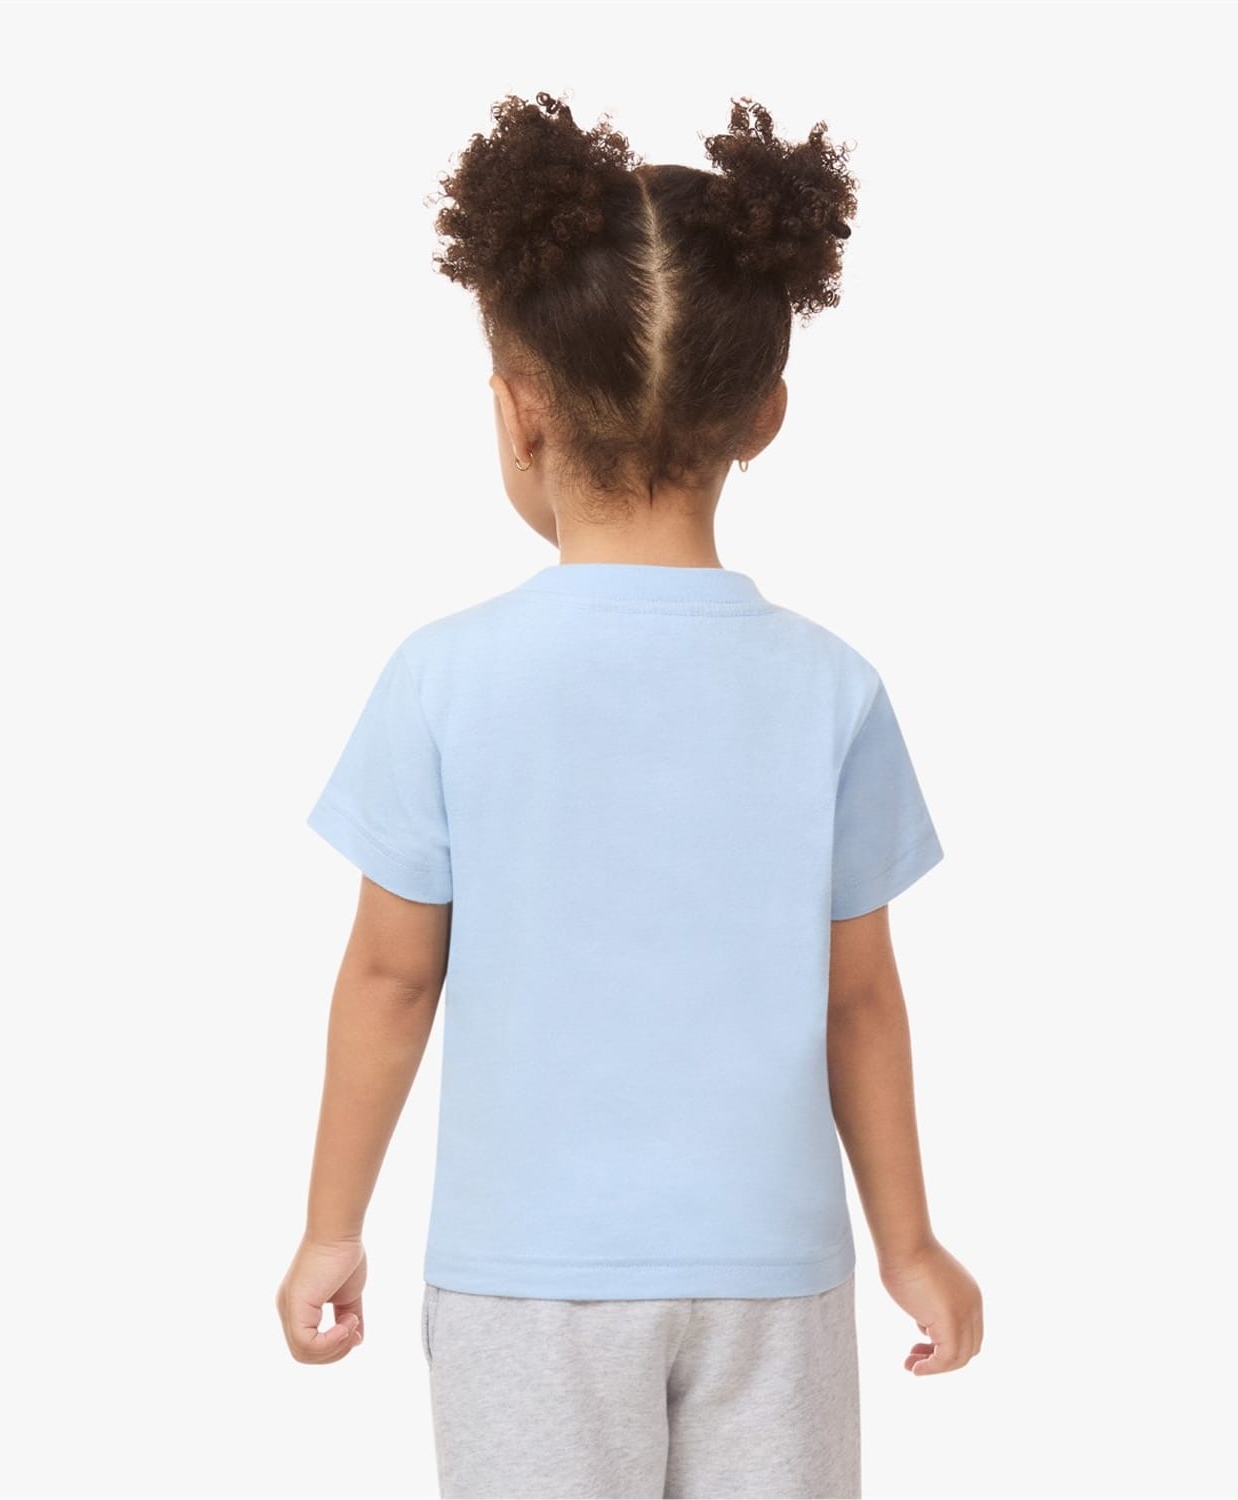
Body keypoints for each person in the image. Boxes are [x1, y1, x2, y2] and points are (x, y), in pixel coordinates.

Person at [275, 90, 983, 1500]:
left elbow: (391, 980)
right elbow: (860, 1000)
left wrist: (331, 1228)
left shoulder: (443, 679)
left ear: (517, 410)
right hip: (774, 1278)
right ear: (766, 415)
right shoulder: (833, 688)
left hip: (522, 1284)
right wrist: (907, 1242)